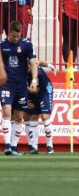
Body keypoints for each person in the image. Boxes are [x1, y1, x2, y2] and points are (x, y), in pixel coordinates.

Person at [1, 21, 37, 156]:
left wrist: (33, 80)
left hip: (21, 85)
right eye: (14, 36)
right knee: (6, 111)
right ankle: (7, 145)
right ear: (9, 31)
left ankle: (14, 146)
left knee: (19, 116)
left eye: (18, 36)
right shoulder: (2, 45)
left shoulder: (26, 45)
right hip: (7, 84)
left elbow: (33, 63)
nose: (16, 39)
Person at [25, 63, 55, 155]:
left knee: (45, 117)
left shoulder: (39, 73)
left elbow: (36, 90)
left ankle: (50, 146)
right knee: (33, 117)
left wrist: (49, 66)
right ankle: (34, 147)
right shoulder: (22, 70)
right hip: (31, 92)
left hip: (44, 91)